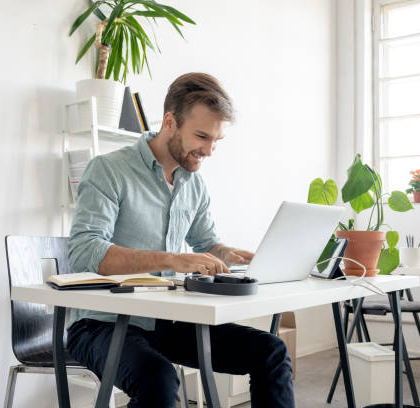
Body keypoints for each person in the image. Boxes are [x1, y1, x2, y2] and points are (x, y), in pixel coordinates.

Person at [67, 72, 295, 407]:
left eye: (216, 140)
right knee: (157, 376)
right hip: (100, 324)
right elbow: (85, 252)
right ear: (170, 122)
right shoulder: (109, 170)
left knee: (271, 351)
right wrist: (173, 259)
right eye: (202, 136)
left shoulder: (193, 184)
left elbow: (206, 242)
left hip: (166, 320)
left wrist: (228, 254)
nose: (209, 150)